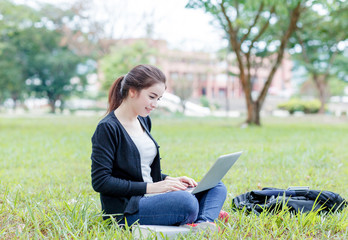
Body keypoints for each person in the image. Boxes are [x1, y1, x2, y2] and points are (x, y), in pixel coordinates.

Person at [91, 64, 227, 231]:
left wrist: (169, 180)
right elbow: (101, 182)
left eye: (159, 99)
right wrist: (154, 187)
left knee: (216, 185)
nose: (155, 104)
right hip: (127, 209)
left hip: (152, 196)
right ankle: (203, 212)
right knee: (187, 202)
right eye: (152, 96)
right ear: (132, 91)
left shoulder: (143, 120)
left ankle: (202, 222)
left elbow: (140, 170)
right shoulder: (107, 128)